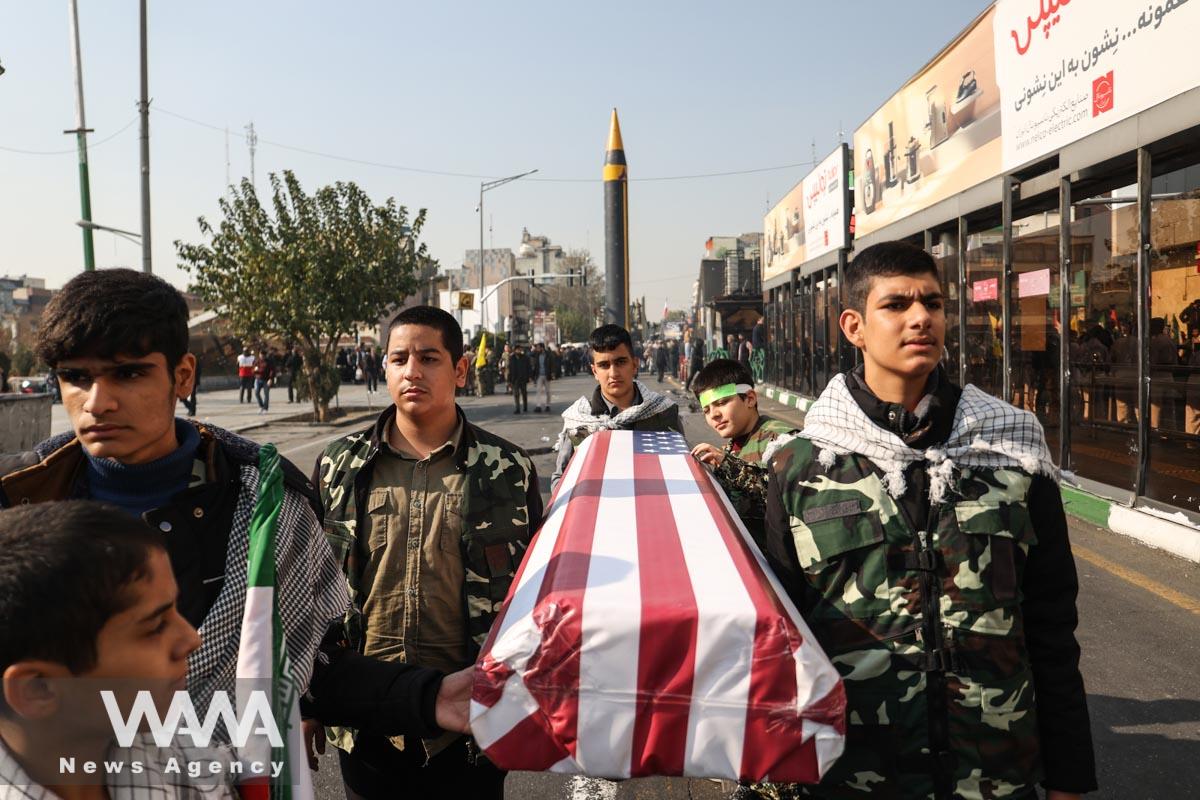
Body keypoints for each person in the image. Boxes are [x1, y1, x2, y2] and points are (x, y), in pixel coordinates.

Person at [763, 241, 1096, 799]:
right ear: (855, 326)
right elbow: (782, 641)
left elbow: (1052, 629)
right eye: (896, 305)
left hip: (996, 777)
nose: (921, 318)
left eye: (933, 303)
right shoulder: (802, 465)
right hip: (856, 778)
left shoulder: (1011, 450)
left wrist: (1069, 777)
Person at [0, 268, 348, 742]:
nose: (97, 402)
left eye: (127, 373)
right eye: (75, 377)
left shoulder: (266, 503)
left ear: (182, 375)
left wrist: (427, 697)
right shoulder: (17, 497)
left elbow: (312, 663)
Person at [313, 305, 543, 799]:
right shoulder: (339, 465)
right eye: (399, 359)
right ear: (385, 369)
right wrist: (311, 700)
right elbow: (309, 589)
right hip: (367, 716)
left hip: (470, 722)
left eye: (429, 358)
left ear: (460, 369)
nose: (412, 371)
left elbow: (537, 592)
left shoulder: (508, 468)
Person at [551, 324, 685, 494]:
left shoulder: (662, 412)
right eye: (604, 365)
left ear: (635, 365)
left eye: (620, 362)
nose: (613, 373)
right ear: (594, 371)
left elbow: (682, 468)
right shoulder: (579, 420)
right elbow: (561, 478)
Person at [689, 358, 797, 546]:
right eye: (706, 410)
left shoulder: (782, 439)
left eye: (722, 402)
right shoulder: (733, 447)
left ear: (749, 398)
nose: (713, 415)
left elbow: (784, 498)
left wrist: (728, 465)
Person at [507, 342, 531, 414]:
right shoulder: (512, 358)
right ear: (514, 350)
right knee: (516, 394)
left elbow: (528, 368)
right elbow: (510, 369)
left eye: (519, 350)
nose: (518, 351)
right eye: (517, 350)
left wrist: (529, 376)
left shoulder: (525, 358)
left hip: (523, 378)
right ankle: (517, 408)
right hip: (515, 379)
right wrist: (509, 380)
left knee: (524, 393)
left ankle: (525, 407)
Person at [531, 341, 553, 412]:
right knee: (538, 391)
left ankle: (548, 405)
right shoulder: (536, 354)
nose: (537, 349)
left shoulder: (548, 354)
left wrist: (553, 373)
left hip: (547, 375)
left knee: (548, 391)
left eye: (538, 348)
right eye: (536, 348)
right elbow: (529, 355)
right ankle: (538, 406)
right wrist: (533, 349)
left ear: (542, 348)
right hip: (539, 375)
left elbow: (552, 364)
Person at [253, 348, 275, 414]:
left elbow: (272, 371)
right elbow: (253, 368)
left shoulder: (269, 361)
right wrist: (255, 372)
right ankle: (261, 406)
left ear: (265, 356)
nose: (261, 357)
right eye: (260, 355)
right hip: (258, 379)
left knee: (266, 394)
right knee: (256, 393)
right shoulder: (257, 361)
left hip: (266, 380)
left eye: (263, 356)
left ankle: (265, 408)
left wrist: (270, 379)